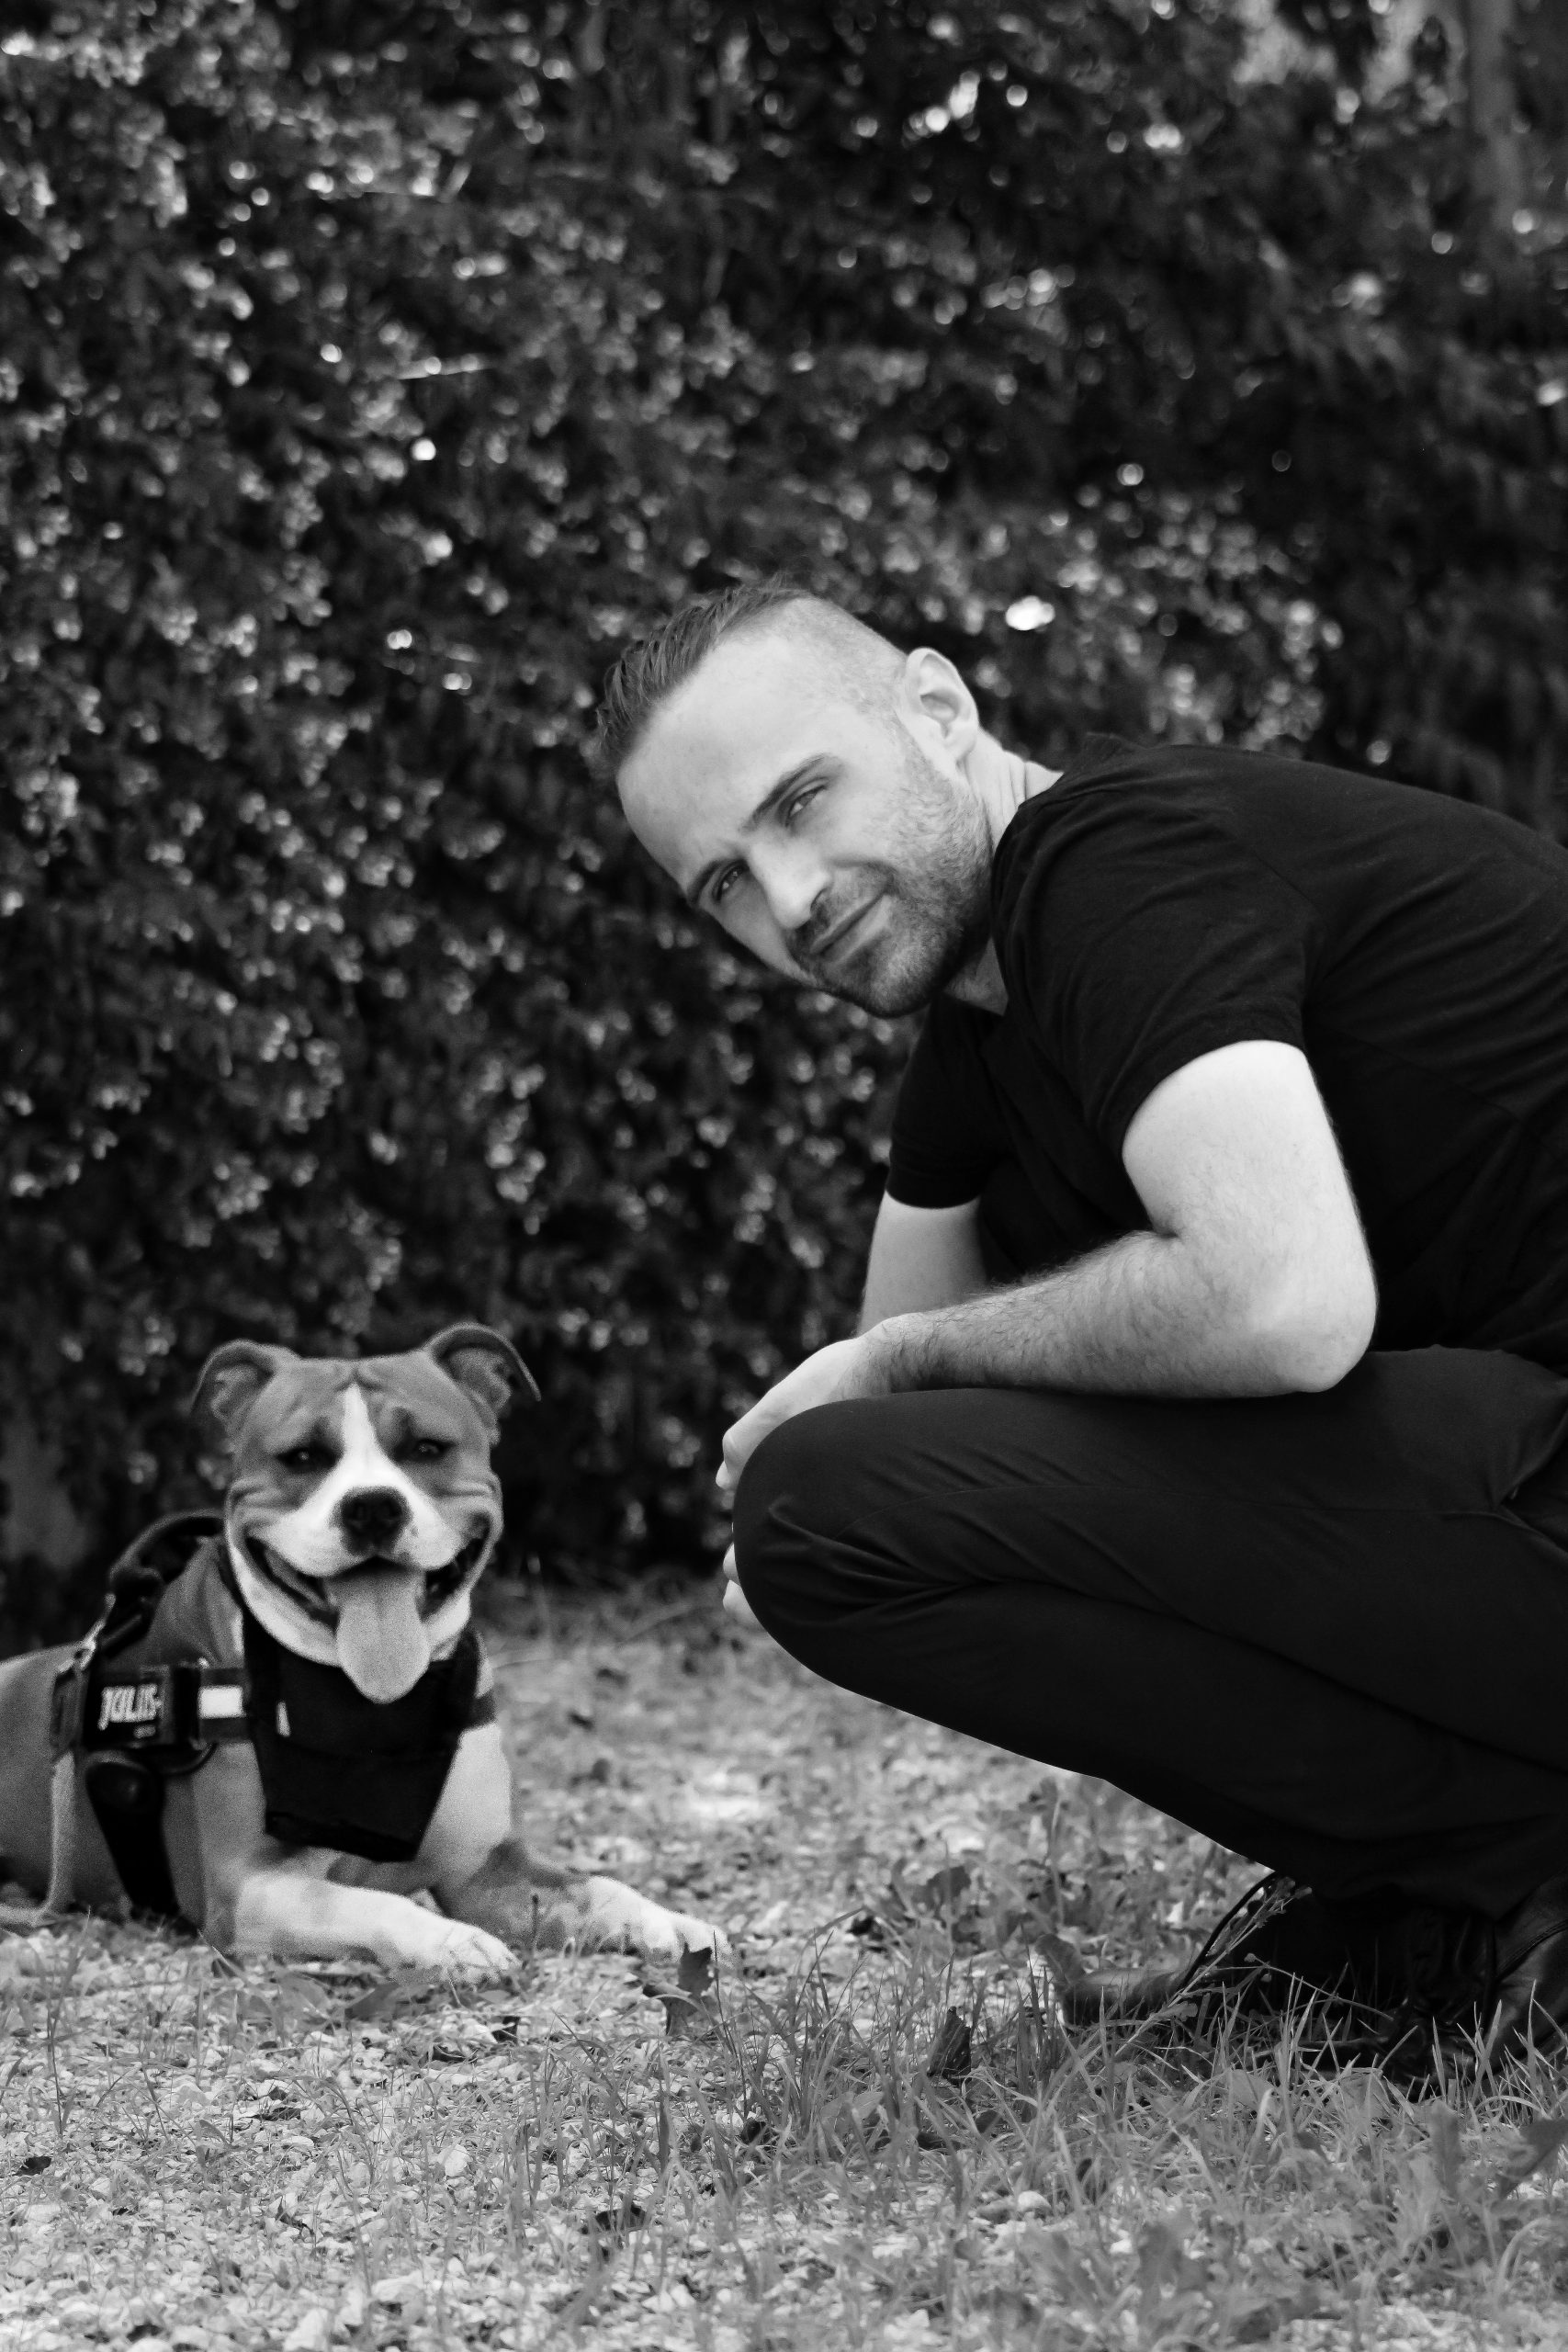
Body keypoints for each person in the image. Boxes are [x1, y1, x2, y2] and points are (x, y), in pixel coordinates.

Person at [594, 575, 1568, 2064]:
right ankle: (1468, 1891)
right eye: (723, 883)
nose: (789, 902)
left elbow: (1282, 1298)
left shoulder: (1120, 862)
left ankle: (1463, 1886)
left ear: (939, 709)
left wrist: (894, 1369)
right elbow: (905, 1475)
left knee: (825, 1514)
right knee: (829, 1523)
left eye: (800, 802)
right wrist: (878, 1418)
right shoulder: (984, 1023)